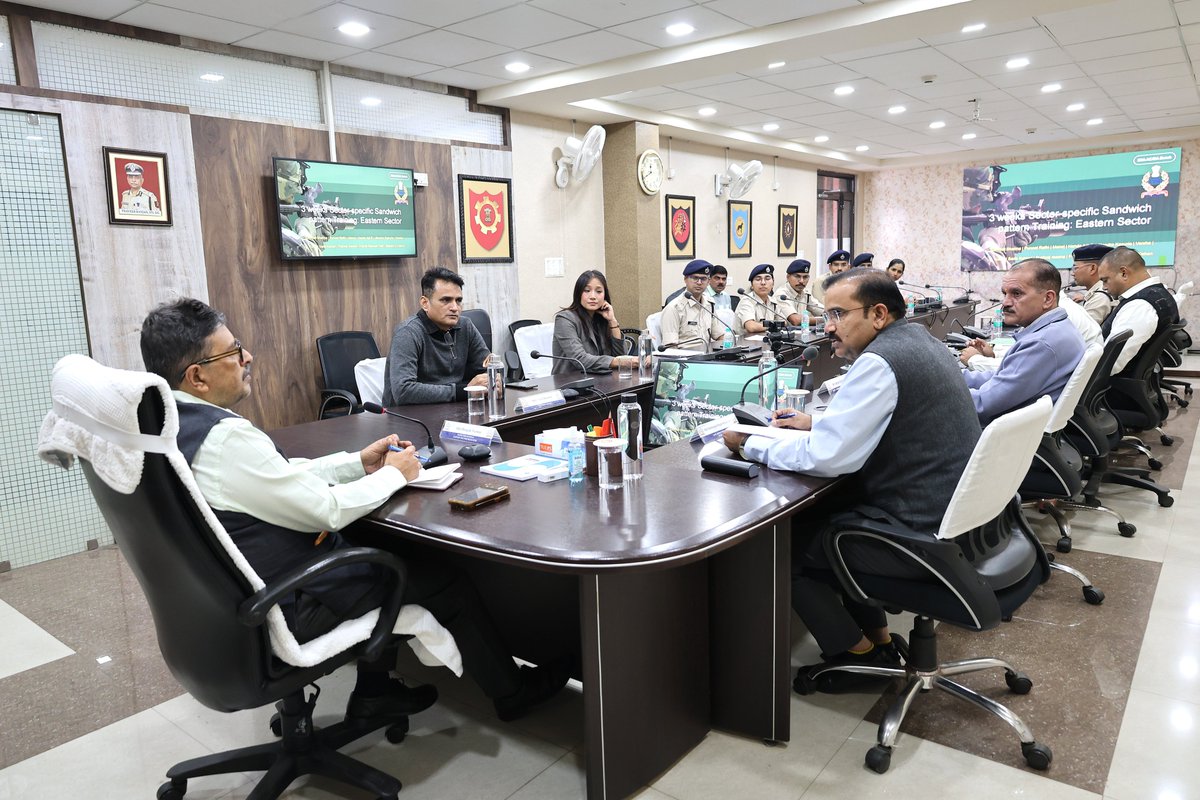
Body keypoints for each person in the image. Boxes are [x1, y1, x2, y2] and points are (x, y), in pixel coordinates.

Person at [140, 299, 568, 724]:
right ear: (196, 376)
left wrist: (356, 463)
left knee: (372, 539)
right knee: (441, 577)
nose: (247, 357)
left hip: (237, 600)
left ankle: (376, 691)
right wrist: (396, 475)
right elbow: (324, 511)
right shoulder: (226, 439)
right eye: (233, 352)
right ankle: (512, 693)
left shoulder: (169, 427)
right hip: (292, 601)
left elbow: (278, 476)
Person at [722, 269, 981, 693]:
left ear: (878, 314)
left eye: (838, 314)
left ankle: (853, 653)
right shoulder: (919, 341)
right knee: (827, 516)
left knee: (781, 542)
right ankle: (876, 640)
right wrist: (819, 421)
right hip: (953, 515)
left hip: (916, 531)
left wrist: (749, 445)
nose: (828, 327)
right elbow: (882, 419)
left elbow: (828, 457)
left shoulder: (880, 361)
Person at [958, 259, 1085, 426]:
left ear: (1048, 298)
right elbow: (1000, 379)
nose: (1005, 302)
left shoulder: (1041, 343)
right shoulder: (1058, 329)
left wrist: (933, 391)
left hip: (995, 435)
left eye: (1016, 294)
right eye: (1005, 294)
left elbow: (983, 404)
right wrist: (951, 376)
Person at [382, 267, 491, 405]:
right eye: (446, 300)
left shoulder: (465, 326)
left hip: (453, 409)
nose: (455, 307)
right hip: (408, 418)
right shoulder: (408, 332)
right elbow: (403, 391)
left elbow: (488, 367)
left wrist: (494, 381)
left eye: (458, 300)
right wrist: (463, 391)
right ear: (425, 303)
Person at [1098, 245, 1180, 379]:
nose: (1104, 287)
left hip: (1112, 391)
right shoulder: (1160, 293)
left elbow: (1109, 364)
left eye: (1105, 280)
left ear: (1124, 273)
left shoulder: (1139, 306)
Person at [552, 270, 637, 374]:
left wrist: (612, 321)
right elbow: (580, 359)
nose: (593, 296)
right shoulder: (565, 319)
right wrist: (620, 361)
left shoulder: (602, 318)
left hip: (602, 382)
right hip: (570, 384)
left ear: (605, 295)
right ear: (578, 293)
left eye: (599, 291)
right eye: (587, 290)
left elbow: (621, 357)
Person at [660, 259, 728, 351]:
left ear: (708, 282)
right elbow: (670, 348)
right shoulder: (674, 308)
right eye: (695, 278)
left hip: (707, 357)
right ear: (685, 279)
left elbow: (719, 336)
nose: (699, 282)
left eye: (703, 279)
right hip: (686, 360)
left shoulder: (708, 304)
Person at [1069, 244, 1116, 324]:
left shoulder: (1099, 297)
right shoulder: (1098, 293)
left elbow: (1083, 331)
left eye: (1075, 268)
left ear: (1092, 268)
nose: (1072, 273)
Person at [735, 263, 784, 334]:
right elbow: (751, 327)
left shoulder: (773, 301)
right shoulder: (747, 301)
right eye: (758, 279)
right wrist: (773, 326)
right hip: (745, 343)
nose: (763, 283)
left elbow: (783, 322)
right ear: (752, 285)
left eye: (767, 279)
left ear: (773, 284)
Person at [776, 259, 823, 325]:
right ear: (788, 277)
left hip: (802, 333)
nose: (801, 281)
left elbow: (821, 310)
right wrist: (826, 319)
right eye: (797, 276)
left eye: (805, 277)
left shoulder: (805, 293)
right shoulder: (782, 295)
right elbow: (796, 320)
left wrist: (834, 314)